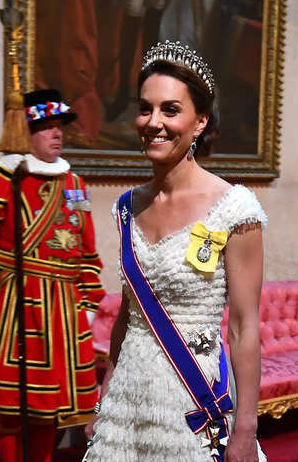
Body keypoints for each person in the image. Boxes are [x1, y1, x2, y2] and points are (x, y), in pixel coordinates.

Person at [83, 40, 267, 461]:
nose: (153, 122)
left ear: (200, 121)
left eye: (170, 109)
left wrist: (245, 430)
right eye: (145, 109)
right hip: (128, 395)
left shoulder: (235, 209)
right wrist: (103, 398)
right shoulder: (127, 207)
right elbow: (130, 316)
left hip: (191, 398)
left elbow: (243, 328)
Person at [0, 89, 105, 462]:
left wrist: (89, 303)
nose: (57, 134)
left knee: (50, 409)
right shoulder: (5, 180)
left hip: (62, 311)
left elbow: (88, 252)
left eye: (59, 126)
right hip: (18, 305)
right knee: (11, 406)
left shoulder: (74, 184)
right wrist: (5, 168)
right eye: (46, 127)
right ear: (24, 132)